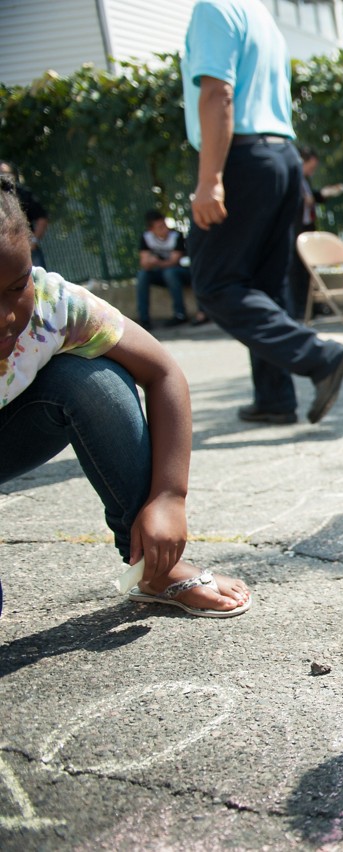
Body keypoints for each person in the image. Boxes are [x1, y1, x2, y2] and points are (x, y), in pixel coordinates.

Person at [0, 183, 251, 618]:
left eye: (15, 285)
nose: (6, 317)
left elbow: (164, 372)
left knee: (90, 378)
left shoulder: (52, 305)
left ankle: (153, 570)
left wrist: (169, 496)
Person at [182, 0, 343, 426]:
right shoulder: (260, 15)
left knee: (215, 284)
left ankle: (320, 357)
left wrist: (210, 179)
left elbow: (218, 92)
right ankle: (275, 398)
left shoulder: (214, 8)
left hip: (242, 156)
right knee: (266, 284)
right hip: (282, 157)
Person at [286, 146, 343, 320]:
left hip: (306, 227)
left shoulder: (304, 179)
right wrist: (316, 196)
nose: (312, 171)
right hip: (295, 230)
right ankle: (296, 309)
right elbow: (299, 200)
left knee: (306, 272)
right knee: (295, 271)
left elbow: (311, 198)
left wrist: (324, 194)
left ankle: (309, 308)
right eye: (311, 167)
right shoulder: (292, 177)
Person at [136, 210, 205, 330]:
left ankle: (180, 314)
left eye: (165, 224)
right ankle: (144, 319)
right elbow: (144, 263)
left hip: (181, 273)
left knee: (170, 272)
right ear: (151, 230)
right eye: (160, 227)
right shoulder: (146, 237)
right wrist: (151, 262)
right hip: (163, 273)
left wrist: (156, 262)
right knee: (142, 275)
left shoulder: (176, 236)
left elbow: (174, 261)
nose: (165, 229)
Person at [0, 161, 49, 270]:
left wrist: (33, 242)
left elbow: (42, 218)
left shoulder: (23, 194)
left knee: (38, 285)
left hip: (27, 251)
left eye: (5, 173)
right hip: (3, 255)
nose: (3, 177)